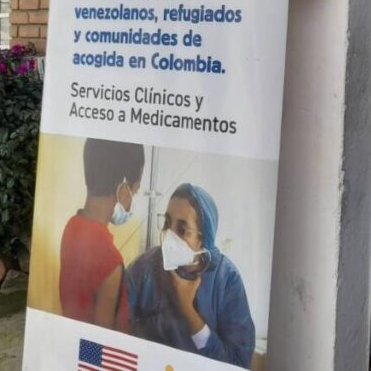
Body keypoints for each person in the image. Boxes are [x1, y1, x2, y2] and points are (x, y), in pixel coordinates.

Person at [126, 183, 255, 368]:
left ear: (203, 239)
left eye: (181, 229)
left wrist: (188, 310)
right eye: (167, 223)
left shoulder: (226, 280)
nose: (169, 236)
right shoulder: (144, 268)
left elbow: (237, 364)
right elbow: (117, 331)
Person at [59, 138, 145, 333]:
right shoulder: (111, 261)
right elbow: (103, 339)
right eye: (135, 190)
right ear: (123, 190)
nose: (134, 197)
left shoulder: (72, 225)